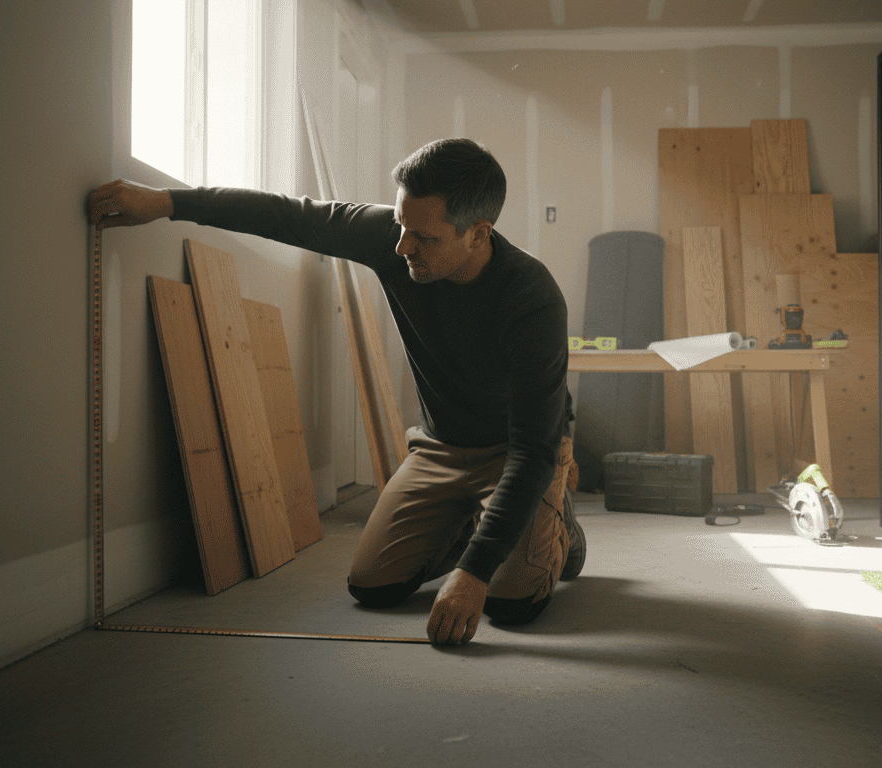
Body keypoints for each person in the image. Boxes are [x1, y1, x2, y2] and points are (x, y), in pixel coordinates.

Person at [88, 138, 583, 646]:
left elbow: (532, 447)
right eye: (401, 226)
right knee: (373, 585)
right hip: (440, 448)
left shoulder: (531, 298)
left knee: (509, 601)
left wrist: (474, 574)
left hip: (515, 453)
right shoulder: (395, 237)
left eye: (424, 238)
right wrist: (167, 203)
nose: (401, 248)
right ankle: (476, 520)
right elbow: (285, 215)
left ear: (479, 234)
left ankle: (558, 526)